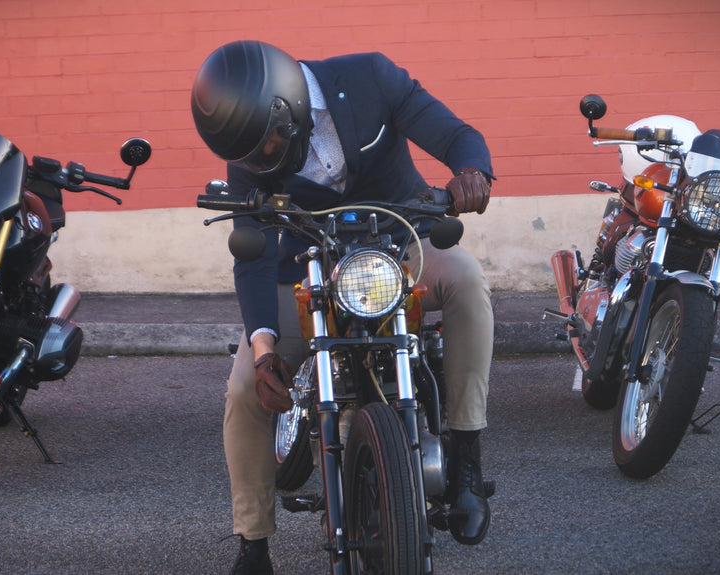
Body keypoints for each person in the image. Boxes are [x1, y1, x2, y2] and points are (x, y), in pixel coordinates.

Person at [190, 40, 495, 575]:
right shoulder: (246, 149)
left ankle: (466, 457)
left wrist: (472, 170)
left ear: (289, 104)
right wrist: (263, 352)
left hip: (403, 241)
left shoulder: (373, 78)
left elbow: (456, 134)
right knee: (241, 389)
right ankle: (253, 541)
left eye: (269, 145)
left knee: (468, 281)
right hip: (306, 268)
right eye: (249, 155)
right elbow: (254, 254)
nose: (262, 161)